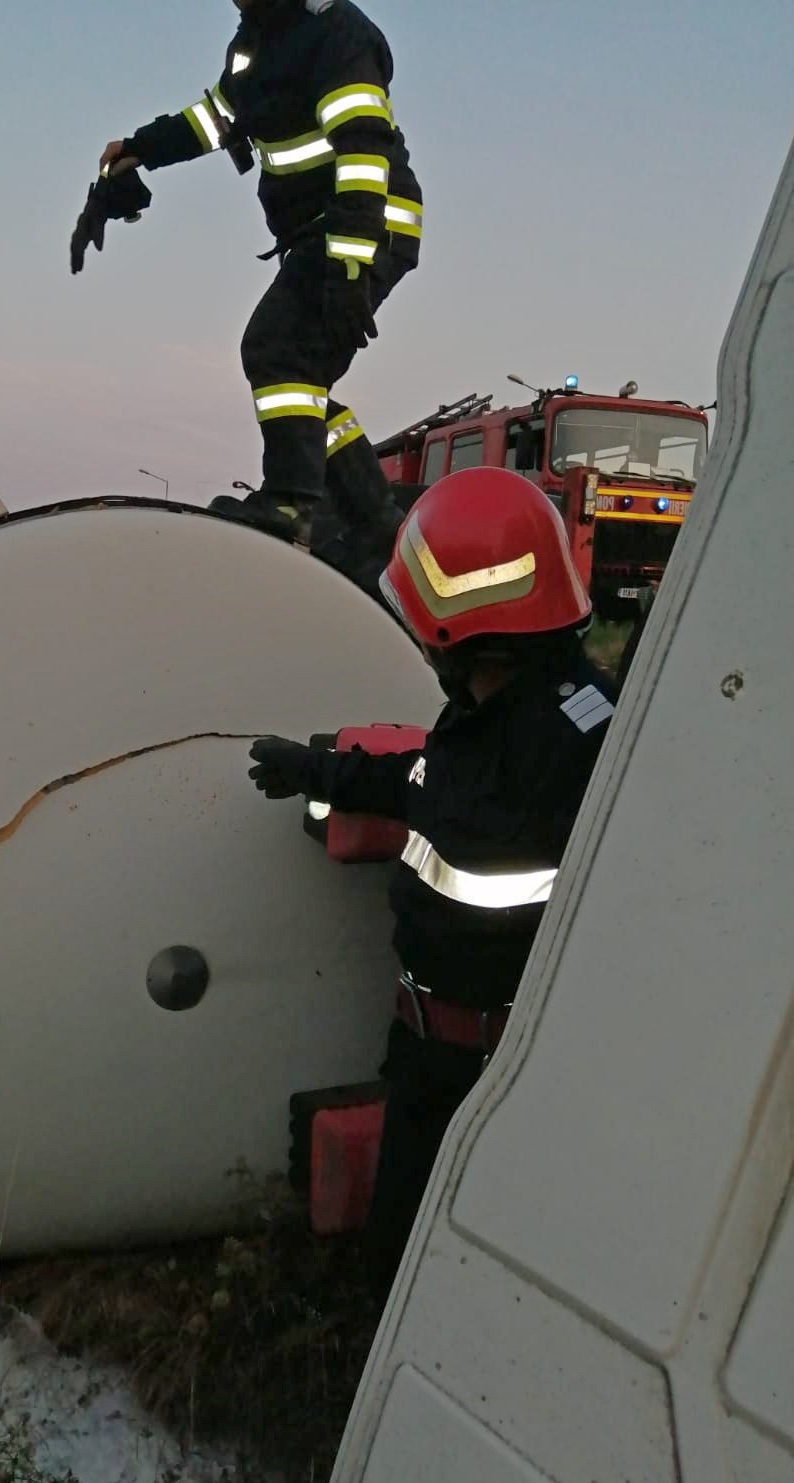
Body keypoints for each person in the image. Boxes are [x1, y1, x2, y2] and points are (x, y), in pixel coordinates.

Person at [247, 468, 618, 1288]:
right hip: (432, 1054)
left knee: (446, 1275)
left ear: (464, 633)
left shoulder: (576, 744)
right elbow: (424, 780)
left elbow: (445, 799)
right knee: (402, 1259)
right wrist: (318, 770)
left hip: (500, 1074)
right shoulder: (508, 712)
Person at [93, 0, 422, 549]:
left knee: (275, 350)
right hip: (319, 234)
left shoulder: (338, 34)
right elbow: (216, 119)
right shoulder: (256, 43)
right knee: (302, 384)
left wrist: (349, 266)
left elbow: (364, 149)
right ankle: (376, 526)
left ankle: (289, 505)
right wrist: (138, 150)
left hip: (362, 223)